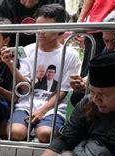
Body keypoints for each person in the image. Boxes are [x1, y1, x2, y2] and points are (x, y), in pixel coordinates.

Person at [11, 4, 80, 142]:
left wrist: (42, 111)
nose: (40, 31)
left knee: (45, 134)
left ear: (60, 28)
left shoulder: (70, 54)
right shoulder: (28, 50)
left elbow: (63, 90)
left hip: (53, 107)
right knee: (16, 133)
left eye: (46, 27)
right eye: (37, 26)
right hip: (26, 104)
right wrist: (11, 65)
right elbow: (25, 87)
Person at [0, 0, 65, 47]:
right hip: (14, 50)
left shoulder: (55, 2)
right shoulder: (5, 4)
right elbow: (0, 37)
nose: (28, 1)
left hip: (45, 50)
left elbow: (60, 36)